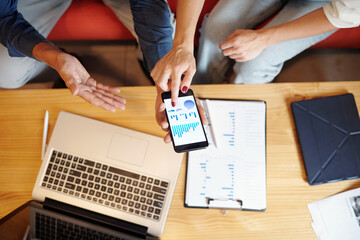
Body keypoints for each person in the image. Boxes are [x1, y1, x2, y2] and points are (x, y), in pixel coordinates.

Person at [194, 0, 360, 84]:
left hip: (325, 5)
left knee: (257, 62)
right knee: (215, 31)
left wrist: (263, 39)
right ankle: (202, 87)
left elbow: (342, 13)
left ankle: (235, 104)